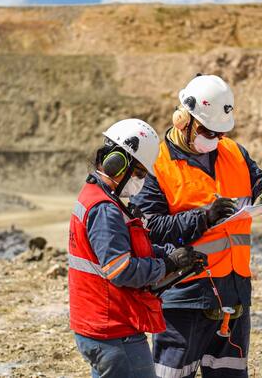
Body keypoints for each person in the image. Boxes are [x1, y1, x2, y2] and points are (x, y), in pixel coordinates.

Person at [131, 75, 262, 378]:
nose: (213, 138)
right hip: (183, 297)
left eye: (218, 132)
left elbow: (261, 179)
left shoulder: (233, 152)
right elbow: (151, 228)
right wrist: (202, 218)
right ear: (182, 119)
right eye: (206, 130)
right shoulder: (155, 164)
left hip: (234, 295)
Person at [69, 118, 207, 378]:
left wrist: (171, 257)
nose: (141, 181)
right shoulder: (105, 209)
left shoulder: (98, 198)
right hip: (114, 329)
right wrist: (168, 265)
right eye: (140, 173)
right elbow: (120, 269)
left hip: (101, 325)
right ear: (118, 163)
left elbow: (131, 250)